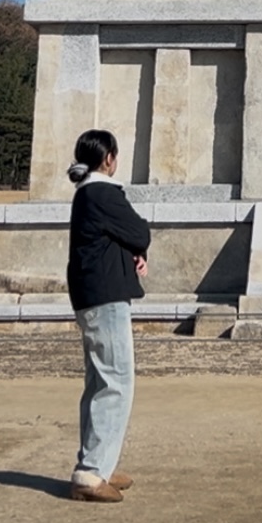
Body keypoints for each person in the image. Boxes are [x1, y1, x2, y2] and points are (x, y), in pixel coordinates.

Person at [65, 128, 151, 503]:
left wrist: (129, 249)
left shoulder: (86, 194)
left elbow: (118, 237)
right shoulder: (102, 192)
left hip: (91, 294)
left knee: (100, 381)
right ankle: (92, 469)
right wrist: (135, 246)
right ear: (109, 158)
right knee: (116, 382)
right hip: (106, 297)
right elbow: (139, 231)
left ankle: (99, 460)